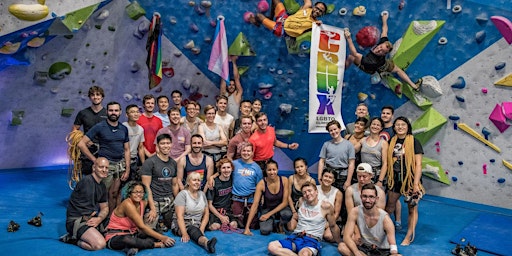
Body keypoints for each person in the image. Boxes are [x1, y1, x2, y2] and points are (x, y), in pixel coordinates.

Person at [344, 12, 421, 92]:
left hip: (369, 68)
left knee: (351, 57)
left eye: (381, 51)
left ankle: (342, 71)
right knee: (397, 69)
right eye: (380, 47)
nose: (378, 49)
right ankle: (414, 86)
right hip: (382, 63)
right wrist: (384, 19)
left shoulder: (371, 61)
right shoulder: (384, 43)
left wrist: (348, 38)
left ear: (384, 54)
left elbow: (355, 53)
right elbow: (385, 30)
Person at [78, 101, 130, 215]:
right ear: (107, 112)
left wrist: (127, 169)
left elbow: (126, 150)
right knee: (103, 194)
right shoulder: (100, 126)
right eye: (111, 110)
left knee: (114, 193)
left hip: (119, 165)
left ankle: (110, 218)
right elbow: (81, 144)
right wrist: (94, 160)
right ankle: (96, 217)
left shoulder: (123, 128)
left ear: (120, 112)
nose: (113, 113)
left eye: (116, 110)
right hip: (106, 166)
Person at [267, 182, 340, 256]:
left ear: (316, 192)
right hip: (295, 236)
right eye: (304, 192)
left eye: (309, 191)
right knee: (272, 246)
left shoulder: (325, 206)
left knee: (304, 254)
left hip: (311, 239)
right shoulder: (301, 201)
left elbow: (333, 226)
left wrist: (339, 242)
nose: (307, 194)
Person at [105, 181, 175, 255]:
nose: (138, 194)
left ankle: (136, 246)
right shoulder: (127, 204)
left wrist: (152, 209)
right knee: (127, 239)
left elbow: (149, 198)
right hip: (116, 236)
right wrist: (163, 238)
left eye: (141, 192)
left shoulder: (142, 202)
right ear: (129, 193)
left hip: (133, 233)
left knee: (156, 232)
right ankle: (154, 245)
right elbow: (141, 227)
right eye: (135, 192)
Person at [385, 116, 425, 246]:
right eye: (397, 125)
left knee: (412, 209)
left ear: (407, 127)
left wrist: (415, 185)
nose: (400, 127)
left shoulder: (414, 142)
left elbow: (418, 164)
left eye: (403, 124)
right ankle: (381, 230)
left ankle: (408, 236)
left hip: (410, 180)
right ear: (394, 127)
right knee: (389, 206)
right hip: (395, 179)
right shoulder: (391, 141)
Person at [338, 183, 401, 256]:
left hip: (382, 251)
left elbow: (393, 245)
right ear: (361, 197)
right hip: (365, 249)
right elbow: (346, 237)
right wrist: (356, 253)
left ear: (376, 199)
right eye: (365, 196)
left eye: (371, 197)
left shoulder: (385, 218)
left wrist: (394, 253)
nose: (367, 200)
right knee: (342, 247)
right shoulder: (354, 212)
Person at [62, 157, 110, 251]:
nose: (104, 170)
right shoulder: (86, 182)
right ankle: (73, 240)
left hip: (91, 217)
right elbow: (86, 214)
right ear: (94, 168)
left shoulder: (102, 186)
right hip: (77, 220)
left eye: (106, 168)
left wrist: (99, 218)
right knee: (99, 244)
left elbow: (105, 207)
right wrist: (95, 218)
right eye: (101, 167)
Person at [140, 134, 179, 230]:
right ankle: (158, 223)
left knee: (181, 227)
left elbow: (174, 185)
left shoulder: (173, 163)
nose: (166, 146)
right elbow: (146, 187)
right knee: (147, 231)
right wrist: (152, 208)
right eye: (162, 143)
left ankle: (163, 222)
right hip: (155, 201)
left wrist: (178, 203)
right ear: (157, 145)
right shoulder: (149, 162)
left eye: (168, 143)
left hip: (170, 201)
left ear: (171, 145)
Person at [171, 172, 217, 253]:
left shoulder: (202, 194)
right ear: (188, 182)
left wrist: (201, 229)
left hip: (197, 223)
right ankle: (207, 243)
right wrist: (184, 233)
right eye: (194, 180)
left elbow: (206, 214)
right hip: (184, 224)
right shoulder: (182, 194)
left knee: (212, 223)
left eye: (199, 180)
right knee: (192, 230)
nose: (197, 182)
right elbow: (179, 216)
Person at [243, 160, 292, 236]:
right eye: (269, 170)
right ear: (265, 171)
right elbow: (255, 205)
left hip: (281, 208)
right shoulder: (261, 184)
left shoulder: (285, 180)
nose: (272, 172)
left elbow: (285, 202)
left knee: (287, 214)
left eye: (274, 170)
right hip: (267, 208)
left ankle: (280, 225)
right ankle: (273, 224)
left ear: (277, 170)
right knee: (265, 231)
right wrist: (247, 227)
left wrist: (268, 215)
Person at [72, 85, 107, 175]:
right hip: (87, 150)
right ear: (89, 97)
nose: (95, 97)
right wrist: (83, 139)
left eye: (98, 94)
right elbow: (75, 129)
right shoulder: (83, 113)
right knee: (88, 176)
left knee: (103, 177)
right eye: (93, 95)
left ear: (102, 97)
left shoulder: (108, 113)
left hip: (104, 149)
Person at [250, 0, 327, 38]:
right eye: (317, 8)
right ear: (314, 7)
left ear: (322, 14)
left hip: (281, 30)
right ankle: (270, 17)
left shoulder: (315, 23)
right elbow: (307, 1)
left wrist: (319, 25)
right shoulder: (307, 7)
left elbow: (320, 31)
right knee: (275, 0)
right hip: (284, 18)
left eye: (320, 11)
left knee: (258, 15)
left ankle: (257, 23)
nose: (317, 11)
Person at [231, 142, 263, 229]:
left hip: (251, 199)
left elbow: (260, 185)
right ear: (240, 152)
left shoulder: (257, 168)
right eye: (244, 151)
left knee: (252, 225)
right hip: (237, 198)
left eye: (248, 151)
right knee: (236, 225)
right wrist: (213, 177)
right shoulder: (234, 164)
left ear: (252, 152)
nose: (246, 153)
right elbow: (222, 172)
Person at [318, 120, 355, 191]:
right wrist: (320, 177)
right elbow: (321, 161)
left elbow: (351, 163)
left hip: (343, 176)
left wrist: (348, 180)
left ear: (340, 129)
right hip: (329, 175)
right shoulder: (326, 144)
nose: (333, 132)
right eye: (331, 130)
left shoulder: (349, 145)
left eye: (335, 129)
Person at [207, 158, 237, 231]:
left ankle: (224, 223)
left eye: (228, 167)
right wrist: (221, 217)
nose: (226, 170)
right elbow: (209, 205)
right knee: (215, 227)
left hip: (228, 210)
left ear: (232, 169)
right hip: (215, 211)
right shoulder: (213, 183)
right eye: (223, 168)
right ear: (220, 170)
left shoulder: (233, 178)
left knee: (234, 225)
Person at [315, 169, 342, 242]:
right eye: (325, 176)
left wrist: (326, 225)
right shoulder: (315, 189)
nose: (327, 179)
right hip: (316, 219)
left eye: (330, 177)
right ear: (322, 177)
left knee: (328, 236)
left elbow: (336, 213)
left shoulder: (338, 193)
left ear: (333, 180)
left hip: (330, 221)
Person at [361, 117, 389, 185]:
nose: (375, 126)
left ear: (381, 128)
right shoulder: (363, 140)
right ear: (370, 126)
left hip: (376, 175)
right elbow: (352, 150)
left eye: (378, 125)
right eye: (373, 124)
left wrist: (380, 181)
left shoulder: (383, 143)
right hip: (363, 174)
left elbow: (385, 163)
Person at [123, 104, 146, 182]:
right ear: (127, 114)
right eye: (132, 112)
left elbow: (140, 147)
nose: (136, 114)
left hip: (134, 161)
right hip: (122, 161)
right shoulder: (122, 127)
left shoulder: (140, 129)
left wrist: (144, 164)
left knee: (132, 184)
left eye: (137, 112)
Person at [220, 55, 244, 120]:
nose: (231, 86)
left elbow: (236, 78)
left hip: (235, 122)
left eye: (233, 85)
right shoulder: (224, 94)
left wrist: (233, 62)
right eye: (229, 84)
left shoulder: (237, 95)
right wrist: (225, 63)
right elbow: (224, 78)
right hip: (224, 122)